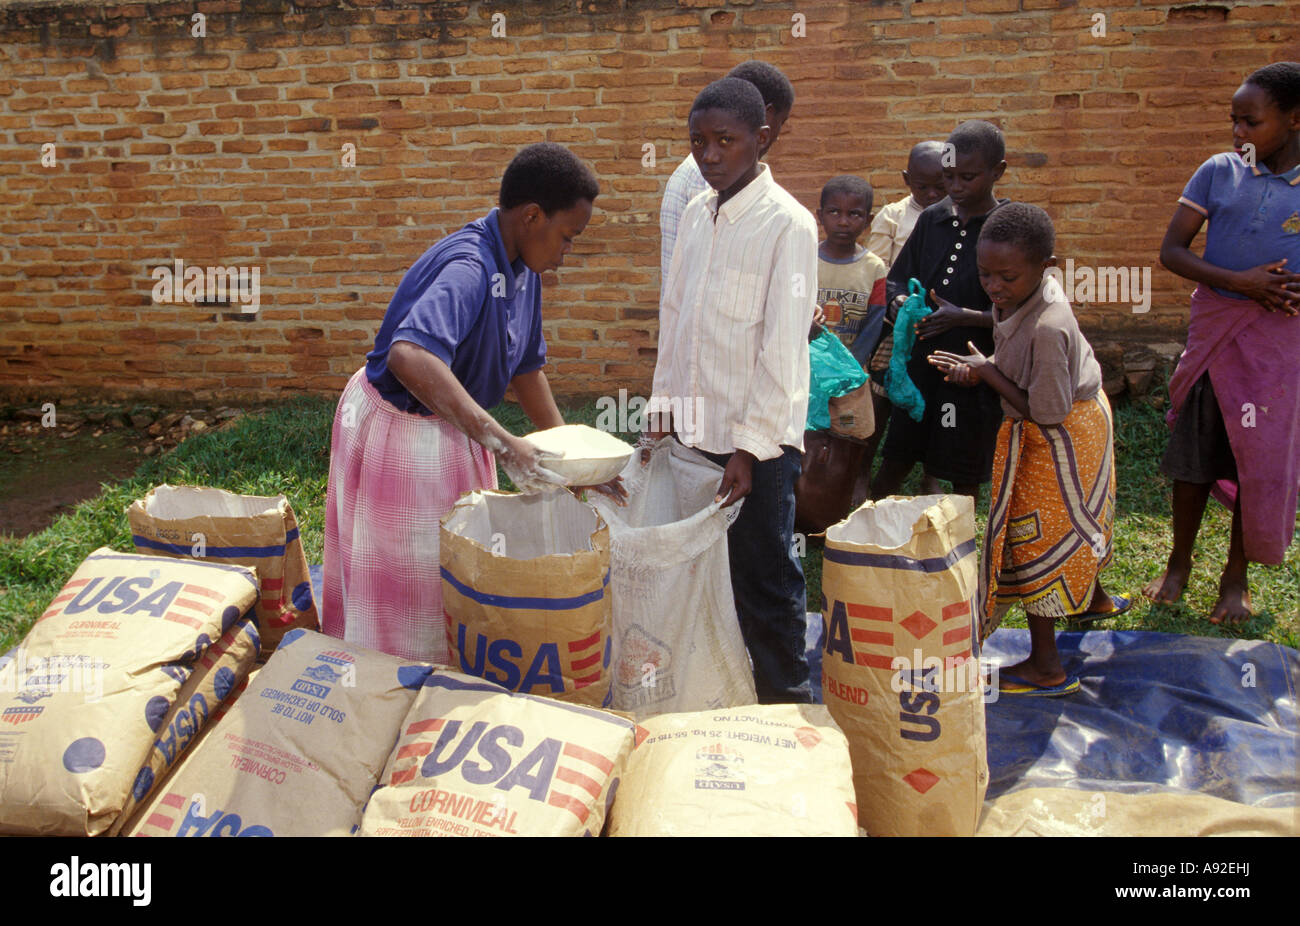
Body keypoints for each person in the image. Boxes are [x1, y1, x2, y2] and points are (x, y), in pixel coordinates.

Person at [322, 142, 624, 663]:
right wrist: (503, 443)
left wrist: (574, 461)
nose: (566, 253)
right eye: (567, 238)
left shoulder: (523, 271)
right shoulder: (469, 267)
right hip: (402, 428)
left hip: (449, 426)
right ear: (532, 217)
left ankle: (435, 681)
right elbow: (409, 356)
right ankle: (387, 685)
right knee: (411, 583)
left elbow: (527, 370)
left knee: (455, 568)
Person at [646, 77, 818, 703]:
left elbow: (782, 353)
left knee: (764, 578)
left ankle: (788, 710)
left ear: (761, 139)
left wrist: (748, 451)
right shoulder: (697, 214)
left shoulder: (788, 226)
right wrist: (661, 412)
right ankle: (722, 692)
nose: (710, 156)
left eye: (726, 141)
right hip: (694, 432)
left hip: (757, 449)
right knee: (704, 571)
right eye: (698, 142)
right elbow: (677, 318)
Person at [928, 203, 1127, 696]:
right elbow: (1021, 362)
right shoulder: (1023, 297)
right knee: (1079, 521)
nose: (993, 286)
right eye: (985, 274)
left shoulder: (1049, 325)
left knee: (1037, 535)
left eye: (1006, 277)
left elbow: (1047, 411)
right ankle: (1094, 598)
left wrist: (988, 372)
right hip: (1067, 417)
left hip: (1065, 431)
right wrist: (982, 367)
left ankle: (1046, 667)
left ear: (1046, 267)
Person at [1142, 61, 1300, 625]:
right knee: (1195, 454)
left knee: (1255, 459)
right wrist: (1241, 283)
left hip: (1277, 349)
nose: (1238, 133)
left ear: (1293, 118)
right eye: (1233, 120)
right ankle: (1178, 562)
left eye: (1251, 122)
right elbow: (1173, 251)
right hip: (1216, 334)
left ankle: (1236, 577)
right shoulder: (1218, 172)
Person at [872, 120, 1009, 502]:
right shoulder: (933, 219)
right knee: (896, 459)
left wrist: (965, 317)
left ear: (997, 172)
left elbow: (1024, 311)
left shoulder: (1006, 227)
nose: (955, 188)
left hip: (973, 370)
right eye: (949, 177)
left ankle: (960, 552)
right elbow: (898, 279)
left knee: (963, 471)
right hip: (919, 366)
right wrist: (899, 302)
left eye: (967, 177)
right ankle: (875, 545)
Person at [860, 140, 947, 500]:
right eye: (921, 186)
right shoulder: (894, 217)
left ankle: (932, 474)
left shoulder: (954, 217)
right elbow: (879, 272)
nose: (930, 194)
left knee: (936, 405)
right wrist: (895, 300)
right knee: (879, 399)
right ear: (906, 179)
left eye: (939, 187)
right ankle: (862, 470)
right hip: (897, 329)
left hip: (940, 327)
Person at [659, 61, 795, 284]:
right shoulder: (710, 178)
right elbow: (706, 280)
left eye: (725, 140)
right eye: (782, 122)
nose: (777, 135)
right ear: (766, 115)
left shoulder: (724, 172)